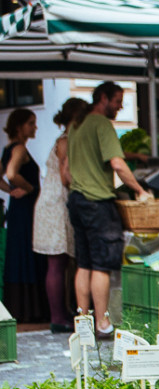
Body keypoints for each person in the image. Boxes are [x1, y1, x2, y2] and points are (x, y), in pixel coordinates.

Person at [67, 81, 151, 339]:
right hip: (96, 201)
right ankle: (102, 323)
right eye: (117, 100)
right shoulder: (102, 124)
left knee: (84, 263)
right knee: (101, 265)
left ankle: (82, 321)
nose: (120, 106)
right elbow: (117, 163)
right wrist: (140, 190)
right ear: (102, 98)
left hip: (77, 199)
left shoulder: (76, 124)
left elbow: (69, 168)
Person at [33, 97, 88, 333]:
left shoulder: (64, 139)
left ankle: (62, 314)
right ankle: (58, 317)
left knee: (60, 262)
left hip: (54, 203)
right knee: (57, 262)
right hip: (56, 204)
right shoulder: (66, 141)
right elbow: (67, 175)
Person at [1, 109, 47, 323]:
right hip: (26, 207)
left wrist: (9, 191)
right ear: (19, 126)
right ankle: (32, 309)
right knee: (29, 251)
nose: (35, 127)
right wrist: (28, 187)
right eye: (31, 123)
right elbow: (11, 173)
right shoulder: (19, 148)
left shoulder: (8, 148)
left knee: (18, 252)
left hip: (18, 207)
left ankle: (20, 308)